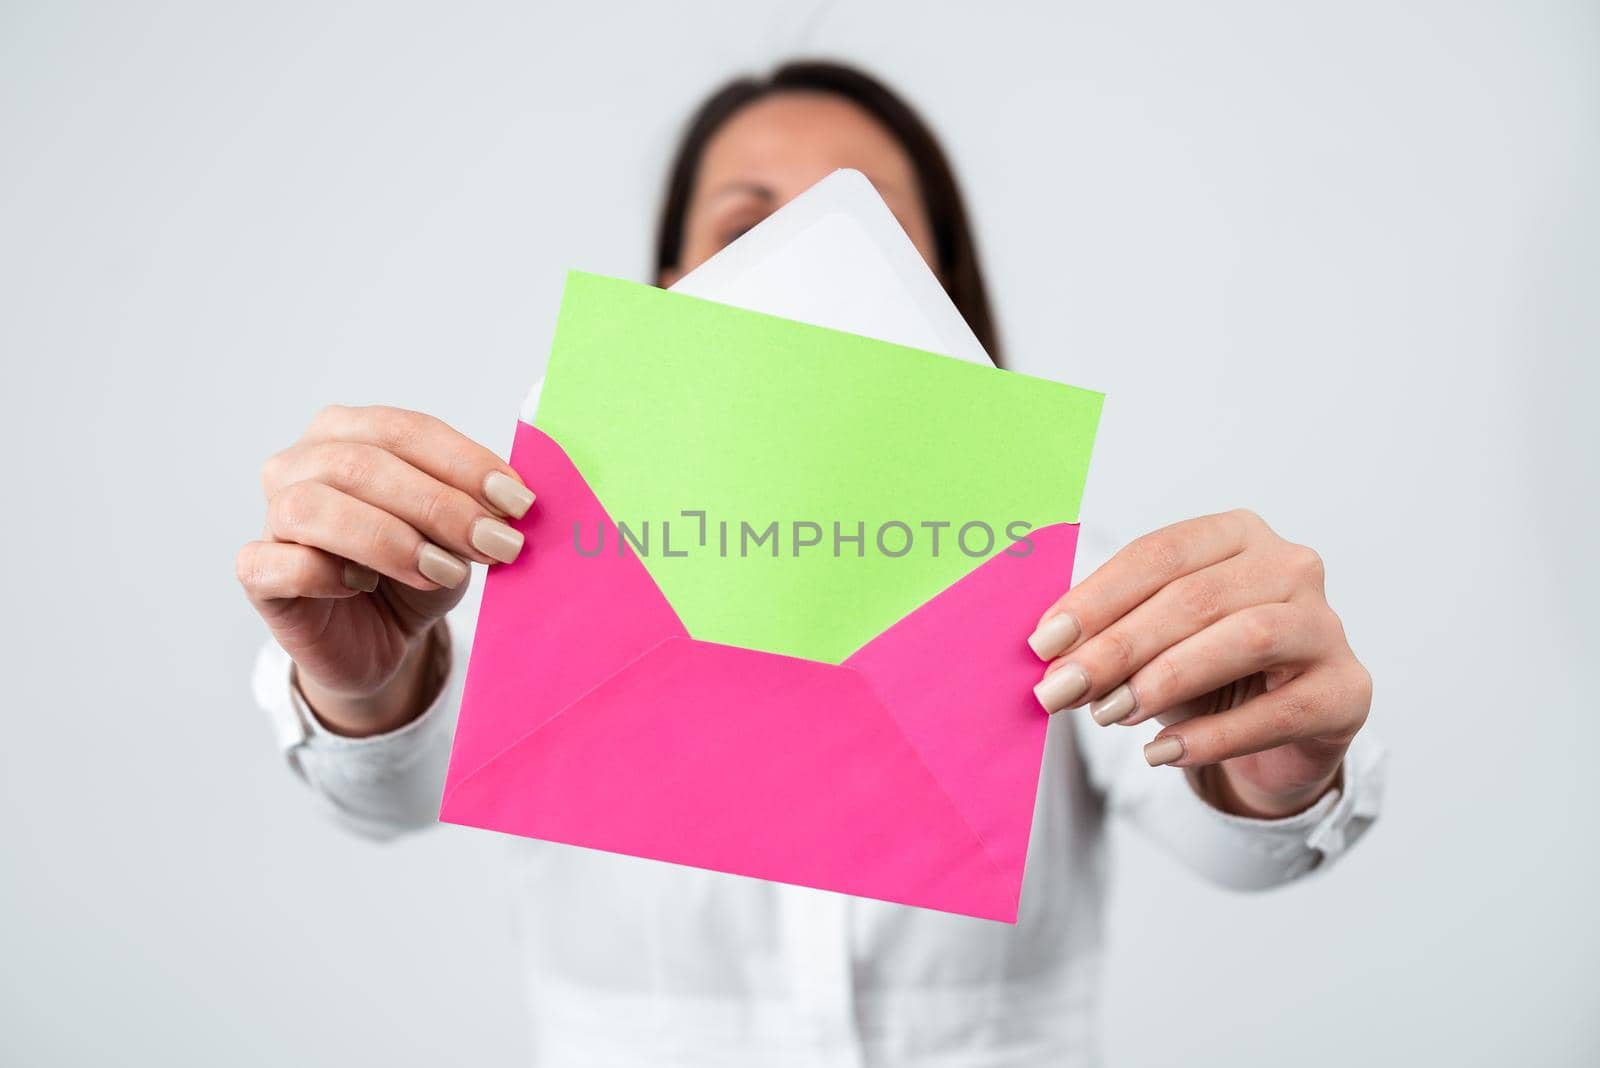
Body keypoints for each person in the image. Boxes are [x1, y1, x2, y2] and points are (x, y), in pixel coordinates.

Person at [239, 60, 1384, 1066]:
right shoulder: (529, 537)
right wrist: (367, 685)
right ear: (667, 291)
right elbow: (390, 795)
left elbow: (1236, 844)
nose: (803, 267)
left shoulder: (1070, 566)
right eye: (744, 231)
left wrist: (1272, 768)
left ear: (946, 287)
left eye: (868, 230)